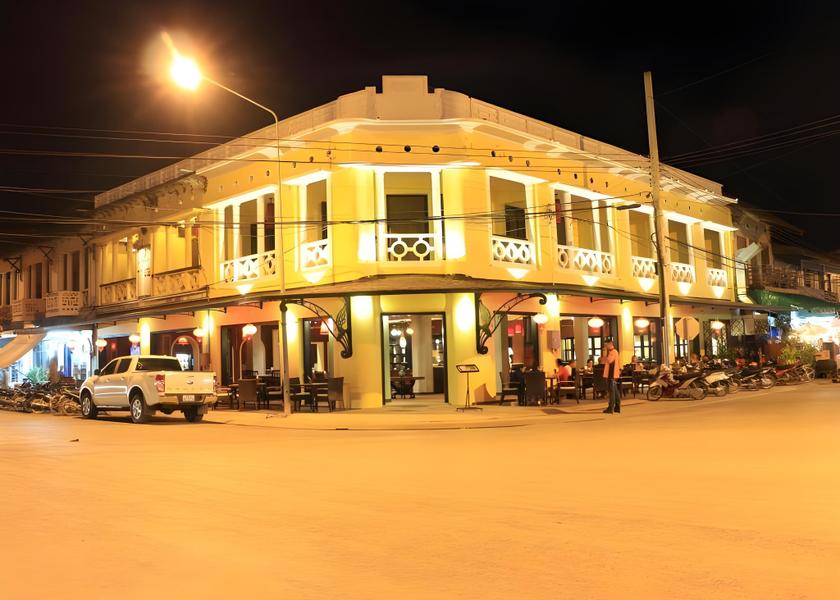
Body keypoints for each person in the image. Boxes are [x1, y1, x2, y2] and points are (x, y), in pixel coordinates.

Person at [602, 338, 622, 414]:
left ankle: (611, 408)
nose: (605, 347)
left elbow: (609, 361)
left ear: (610, 344)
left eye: (606, 345)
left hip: (612, 374)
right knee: (615, 391)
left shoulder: (613, 352)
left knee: (612, 391)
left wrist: (605, 355)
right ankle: (617, 407)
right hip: (612, 374)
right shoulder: (613, 352)